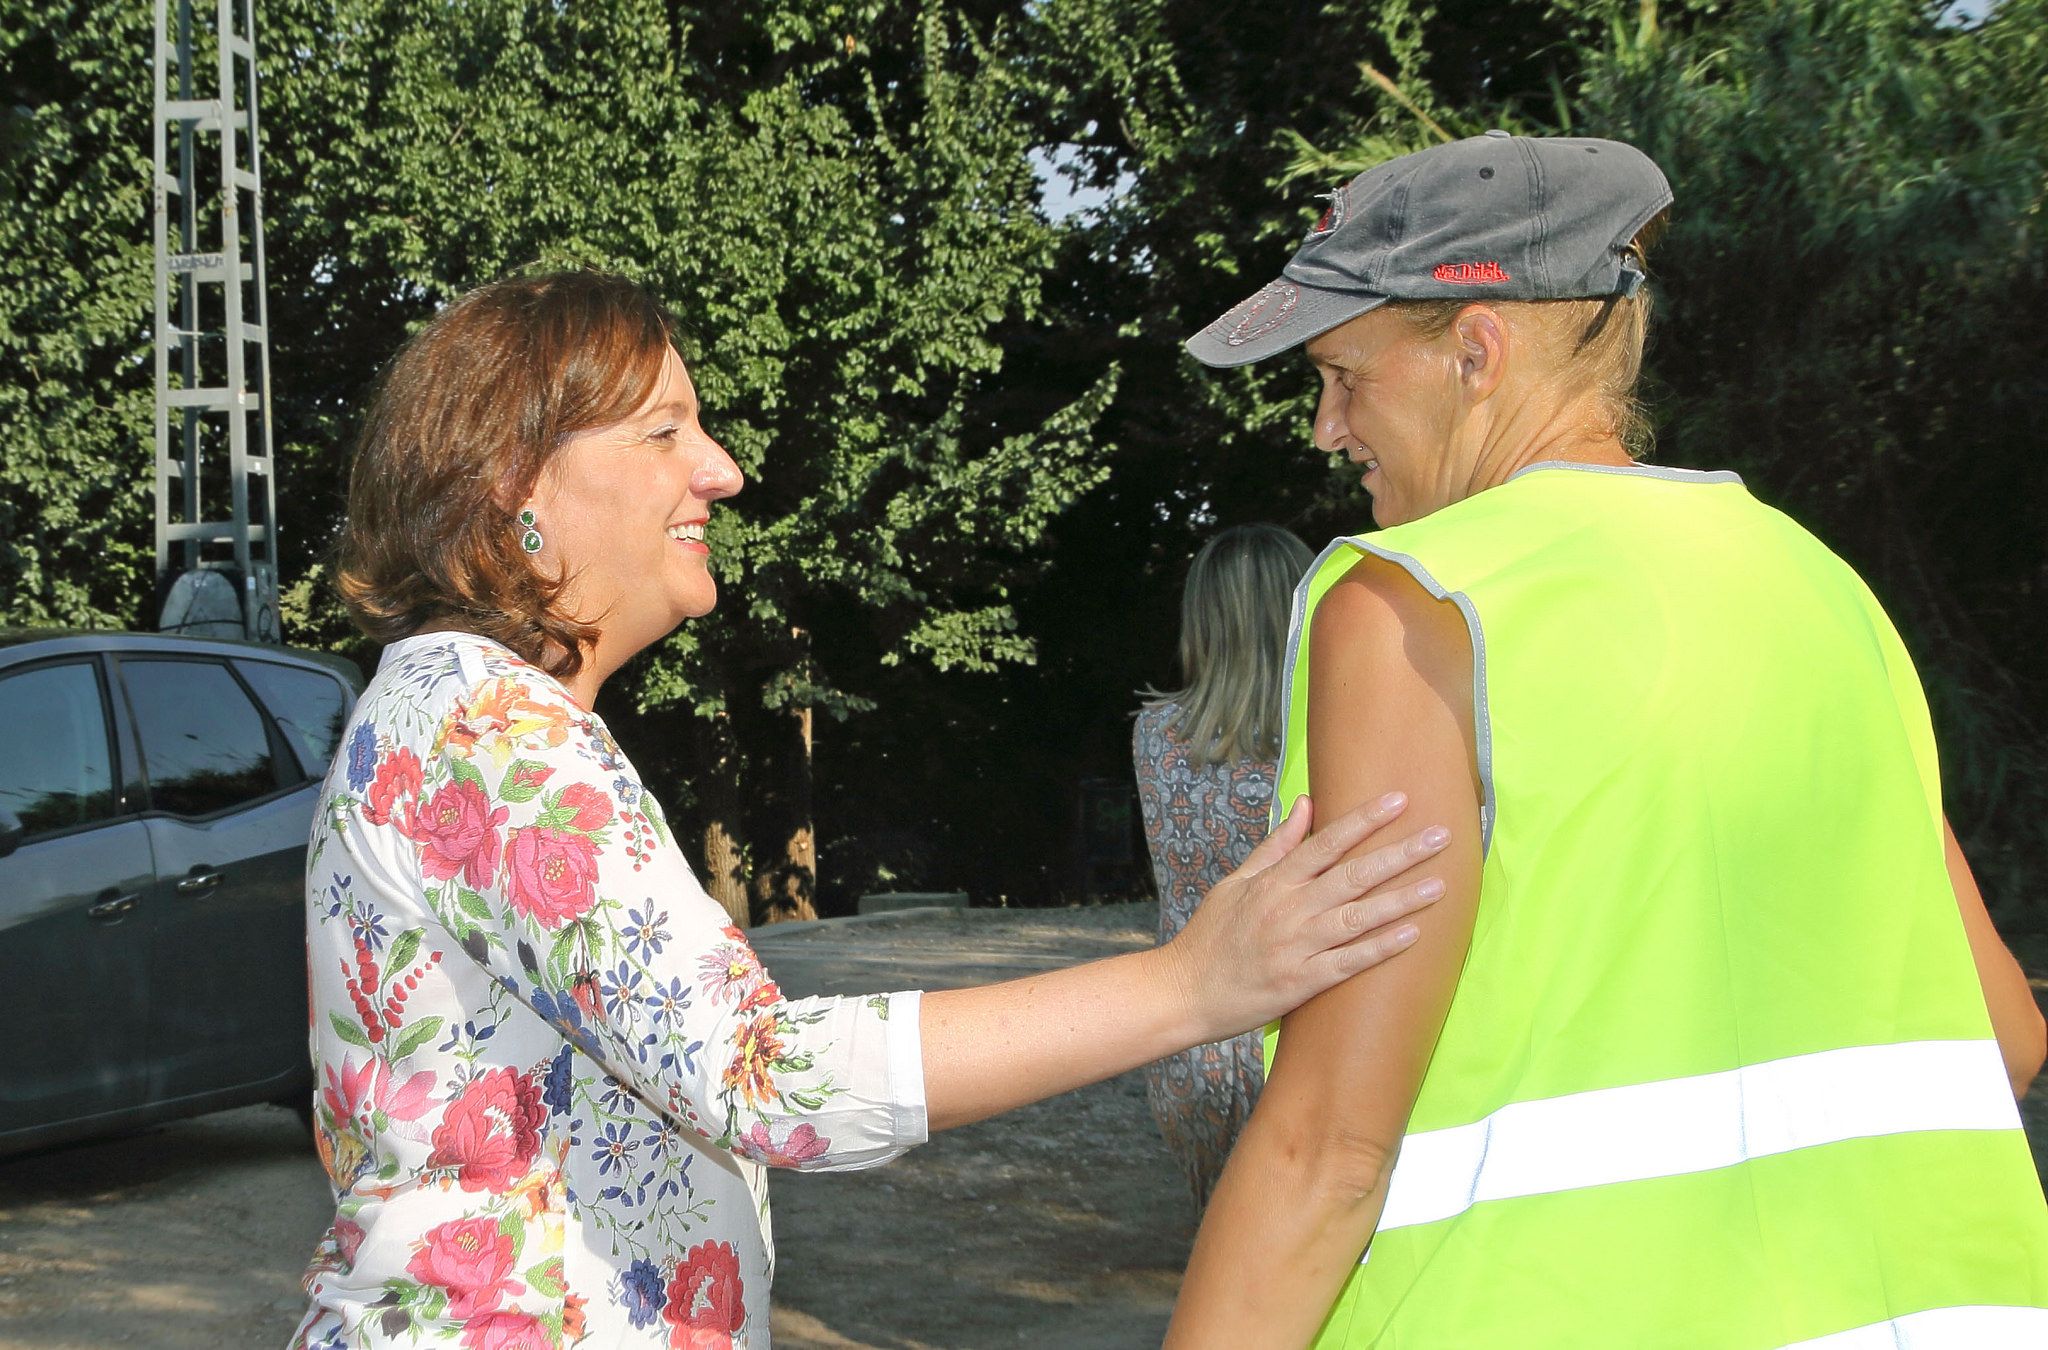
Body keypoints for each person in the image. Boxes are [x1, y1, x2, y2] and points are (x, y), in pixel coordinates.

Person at [289, 271, 1455, 1348]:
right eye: (662, 432)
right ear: (513, 481)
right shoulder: (487, 730)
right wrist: (1190, 985)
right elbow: (761, 1079)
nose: (721, 469)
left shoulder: (461, 712)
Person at [1165, 133, 2048, 1347]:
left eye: (1342, 375)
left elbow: (1330, 1148)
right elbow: (2000, 1035)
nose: (1325, 427)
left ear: (1473, 351)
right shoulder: (1818, 584)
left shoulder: (1416, 607)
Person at [1134, 523, 1315, 1212]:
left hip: (1192, 1040)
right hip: (1301, 1033)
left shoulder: (1155, 734)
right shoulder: (1327, 738)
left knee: (1221, 1241)